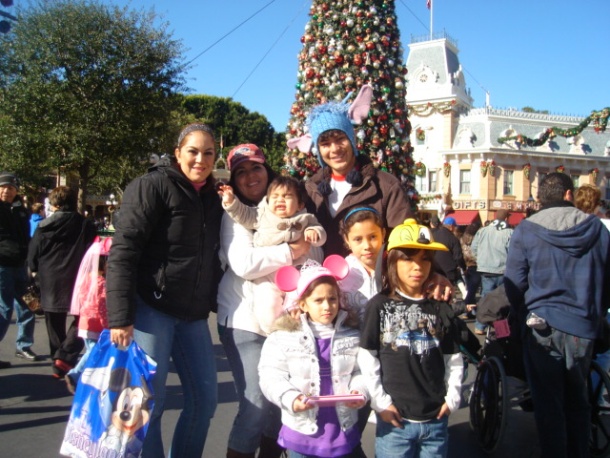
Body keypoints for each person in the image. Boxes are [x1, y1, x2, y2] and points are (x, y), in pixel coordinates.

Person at [106, 123, 224, 457]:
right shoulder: (152, 186)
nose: (200, 159)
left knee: (205, 402)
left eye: (208, 153)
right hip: (151, 311)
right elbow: (123, 252)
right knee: (149, 407)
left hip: (193, 315)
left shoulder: (213, 198)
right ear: (177, 153)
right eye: (193, 151)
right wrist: (120, 317)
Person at [217, 143, 322, 458]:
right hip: (244, 321)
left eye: (256, 168)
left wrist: (305, 244)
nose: (250, 176)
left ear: (267, 170)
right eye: (241, 172)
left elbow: (314, 254)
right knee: (257, 402)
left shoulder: (293, 209)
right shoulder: (237, 215)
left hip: (288, 319)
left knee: (281, 404)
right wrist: (292, 250)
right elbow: (245, 264)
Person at [504, 173, 610, 458]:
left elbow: (514, 280)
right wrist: (596, 315)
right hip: (582, 326)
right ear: (568, 195)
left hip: (543, 325)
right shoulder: (598, 230)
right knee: (578, 400)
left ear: (541, 198)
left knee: (549, 404)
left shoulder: (526, 230)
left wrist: (520, 313)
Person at [359, 218, 464, 458]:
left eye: (424, 259)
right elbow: (367, 357)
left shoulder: (439, 308)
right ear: (391, 262)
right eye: (408, 258)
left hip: (435, 420)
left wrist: (453, 398)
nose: (417, 266)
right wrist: (381, 402)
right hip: (395, 422)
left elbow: (453, 358)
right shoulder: (379, 306)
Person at [259, 256, 368, 458]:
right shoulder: (283, 337)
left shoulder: (352, 334)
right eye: (318, 300)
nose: (327, 306)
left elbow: (362, 370)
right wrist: (291, 398)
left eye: (332, 298)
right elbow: (270, 375)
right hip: (302, 430)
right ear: (303, 304)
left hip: (342, 427)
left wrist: (358, 390)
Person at [288, 84, 413, 257]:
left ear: (352, 140)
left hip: (370, 281)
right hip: (322, 281)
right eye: (325, 144)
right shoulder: (310, 190)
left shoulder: (385, 186)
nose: (334, 149)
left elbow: (404, 243)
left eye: (340, 139)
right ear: (318, 149)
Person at [218, 173, 327, 333]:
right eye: (275, 197)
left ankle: (295, 330)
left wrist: (314, 233)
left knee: (301, 305)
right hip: (268, 276)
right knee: (267, 304)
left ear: (299, 204)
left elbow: (320, 233)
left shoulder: (305, 218)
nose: (280, 200)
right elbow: (243, 214)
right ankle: (274, 330)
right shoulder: (261, 215)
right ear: (268, 201)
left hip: (298, 276)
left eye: (287, 196)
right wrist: (230, 202)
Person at [28, 186, 97, 378]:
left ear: (55, 204)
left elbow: (33, 256)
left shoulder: (43, 226)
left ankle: (57, 357)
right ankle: (66, 355)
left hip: (49, 278)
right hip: (78, 277)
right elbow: (95, 251)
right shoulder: (85, 225)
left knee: (54, 321)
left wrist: (34, 271)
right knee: (82, 319)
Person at [0, 172, 38, 367]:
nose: (7, 191)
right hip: (3, 266)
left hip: (20, 266)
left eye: (11, 188)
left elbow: (26, 237)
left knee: (29, 305)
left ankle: (24, 345)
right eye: (3, 187)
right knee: (4, 309)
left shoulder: (21, 211)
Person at [64, 236, 111, 394]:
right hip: (97, 326)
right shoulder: (101, 284)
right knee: (94, 352)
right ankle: (75, 374)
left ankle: (85, 377)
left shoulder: (86, 279)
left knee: (92, 350)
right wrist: (108, 326)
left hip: (85, 322)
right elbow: (103, 309)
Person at [471, 209, 513, 334]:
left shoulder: (482, 231)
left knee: (485, 297)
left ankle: (480, 326)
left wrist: (481, 259)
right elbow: (512, 252)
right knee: (502, 301)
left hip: (486, 269)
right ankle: (501, 330)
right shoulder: (509, 232)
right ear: (506, 219)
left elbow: (474, 248)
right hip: (502, 269)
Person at [429, 216, 466, 298]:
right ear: (451, 227)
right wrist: (463, 267)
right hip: (449, 271)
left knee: (435, 292)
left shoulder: (433, 235)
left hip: (434, 268)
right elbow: (458, 257)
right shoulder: (453, 239)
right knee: (447, 294)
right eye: (455, 226)